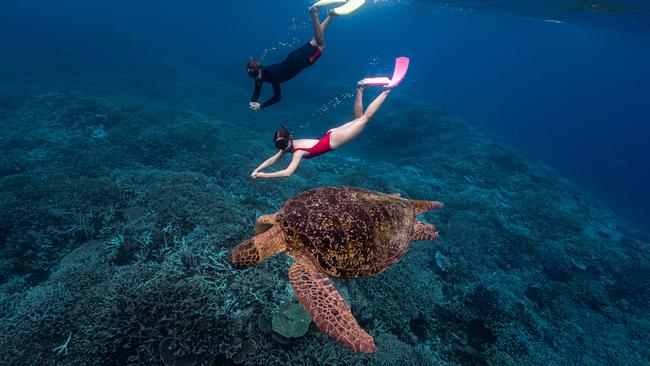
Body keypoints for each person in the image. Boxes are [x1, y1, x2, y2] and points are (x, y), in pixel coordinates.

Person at [251, 85, 391, 178]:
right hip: (330, 134)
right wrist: (256, 170)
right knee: (359, 118)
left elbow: (288, 173)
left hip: (334, 140)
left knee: (365, 119)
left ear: (289, 139)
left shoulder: (298, 151)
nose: (283, 149)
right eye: (280, 146)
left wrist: (265, 176)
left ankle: (387, 91)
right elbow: (272, 159)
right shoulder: (290, 145)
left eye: (283, 145)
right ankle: (360, 88)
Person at [247, 5, 337, 111]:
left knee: (322, 46)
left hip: (303, 61)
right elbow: (256, 91)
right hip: (294, 56)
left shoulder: (272, 76)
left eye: (256, 77)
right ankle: (331, 16)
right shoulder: (260, 74)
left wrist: (261, 106)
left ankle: (314, 14)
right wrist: (252, 102)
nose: (257, 80)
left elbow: (277, 97)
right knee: (314, 40)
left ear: (258, 72)